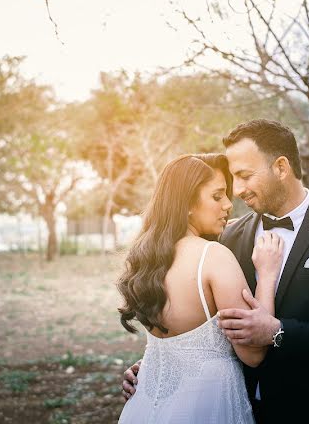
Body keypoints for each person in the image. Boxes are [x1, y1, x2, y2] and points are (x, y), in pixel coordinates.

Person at [123, 120, 309, 424]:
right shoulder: (227, 237)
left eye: (244, 176)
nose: (238, 190)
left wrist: (278, 331)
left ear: (281, 168)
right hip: (229, 407)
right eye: (233, 179)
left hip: (308, 413)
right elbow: (199, 317)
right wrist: (160, 367)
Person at [117, 153, 285, 424]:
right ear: (186, 205)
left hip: (145, 405)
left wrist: (145, 367)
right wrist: (267, 275)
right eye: (217, 196)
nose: (229, 204)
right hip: (207, 406)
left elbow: (173, 345)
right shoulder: (212, 257)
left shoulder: (146, 258)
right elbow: (253, 354)